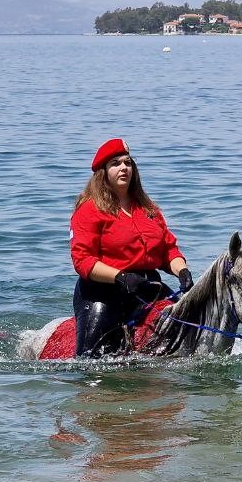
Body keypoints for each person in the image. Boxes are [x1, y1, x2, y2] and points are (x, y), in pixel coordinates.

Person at [69, 138, 193, 357]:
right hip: (102, 291)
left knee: (189, 324)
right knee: (89, 358)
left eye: (128, 162)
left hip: (146, 287)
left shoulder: (149, 210)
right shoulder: (89, 210)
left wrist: (181, 269)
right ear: (103, 172)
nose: (123, 168)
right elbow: (83, 260)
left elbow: (168, 250)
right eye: (115, 163)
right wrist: (121, 278)